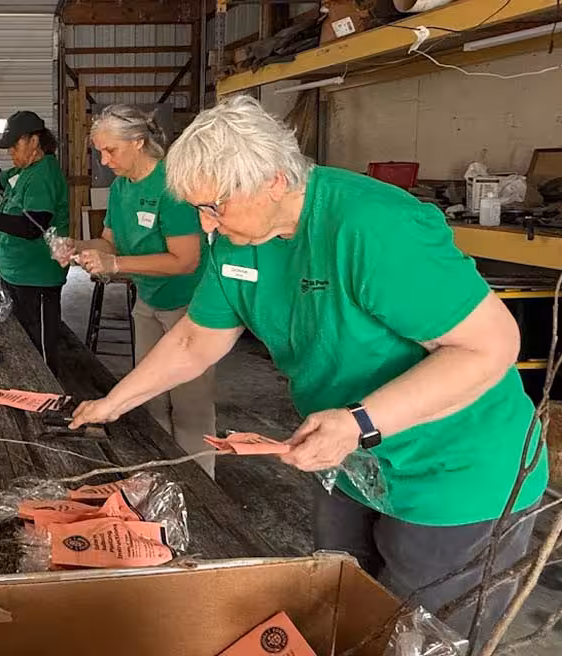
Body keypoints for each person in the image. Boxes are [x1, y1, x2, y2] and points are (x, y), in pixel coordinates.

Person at [70, 95, 546, 648]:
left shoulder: (372, 224)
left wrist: (359, 422)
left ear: (273, 180)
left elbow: (488, 347)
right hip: (351, 460)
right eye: (199, 209)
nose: (206, 225)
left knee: (422, 635)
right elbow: (197, 337)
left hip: (455, 470)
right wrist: (114, 402)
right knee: (342, 608)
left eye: (215, 207)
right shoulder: (237, 241)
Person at [64, 105, 216, 476]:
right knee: (149, 394)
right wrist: (77, 247)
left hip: (191, 305)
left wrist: (117, 267)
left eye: (110, 151)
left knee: (190, 404)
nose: (103, 160)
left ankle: (202, 487)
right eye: (99, 152)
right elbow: (109, 243)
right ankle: (162, 475)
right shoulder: (120, 189)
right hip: (148, 301)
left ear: (137, 142)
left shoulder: (172, 186)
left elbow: (185, 260)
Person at [0, 110, 68, 373]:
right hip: (16, 273)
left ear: (34, 141)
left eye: (14, 145)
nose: (11, 153)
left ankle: (48, 393)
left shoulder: (44, 174)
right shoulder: (24, 172)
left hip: (37, 277)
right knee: (21, 340)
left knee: (39, 347)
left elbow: (32, 227)